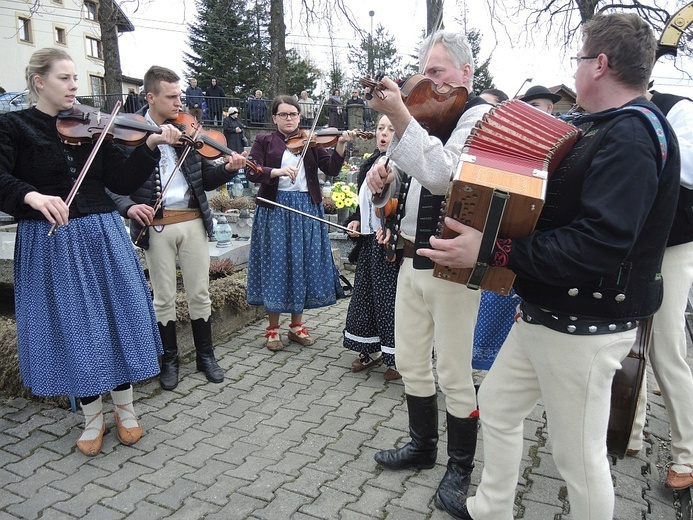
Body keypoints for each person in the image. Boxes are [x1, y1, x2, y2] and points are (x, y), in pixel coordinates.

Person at [417, 13, 680, 519]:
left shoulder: (631, 136)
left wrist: (494, 253)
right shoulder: (596, 126)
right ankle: (490, 507)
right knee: (496, 404)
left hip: (585, 325)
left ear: (600, 64)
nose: (576, 70)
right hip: (547, 310)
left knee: (577, 458)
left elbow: (598, 245)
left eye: (580, 59)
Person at [0, 48, 183, 456]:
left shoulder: (94, 127)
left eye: (75, 79)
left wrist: (149, 147)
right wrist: (30, 195)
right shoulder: (13, 126)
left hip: (101, 233)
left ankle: (126, 409)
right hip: (50, 241)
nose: (74, 87)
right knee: (73, 328)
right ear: (39, 82)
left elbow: (119, 177)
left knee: (117, 317)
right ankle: (91, 417)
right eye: (65, 78)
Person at [364, 30, 491, 512]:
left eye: (436, 73)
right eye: (424, 72)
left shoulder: (477, 114)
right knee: (413, 362)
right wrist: (382, 184)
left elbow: (444, 174)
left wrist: (397, 115)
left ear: (465, 73)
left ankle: (460, 469)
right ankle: (422, 447)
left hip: (452, 269)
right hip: (410, 259)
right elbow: (407, 189)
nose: (427, 83)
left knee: (455, 372)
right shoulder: (428, 114)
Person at [110, 66, 246, 392]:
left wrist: (227, 169)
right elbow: (112, 184)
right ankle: (169, 359)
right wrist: (128, 207)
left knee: (200, 291)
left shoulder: (187, 129)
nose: (178, 102)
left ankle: (206, 355)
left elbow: (205, 179)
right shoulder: (128, 133)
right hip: (156, 225)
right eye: (171, 97)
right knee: (164, 297)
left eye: (180, 95)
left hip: (192, 221)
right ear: (150, 97)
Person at [245, 95, 355, 351]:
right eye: (283, 114)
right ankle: (273, 328)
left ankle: (296, 326)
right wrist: (275, 172)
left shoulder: (311, 141)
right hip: (275, 209)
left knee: (301, 263)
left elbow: (331, 169)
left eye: (293, 114)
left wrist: (340, 146)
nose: (289, 119)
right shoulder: (264, 141)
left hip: (306, 206)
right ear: (274, 118)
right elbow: (251, 171)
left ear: (299, 116)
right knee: (277, 264)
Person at [627, 89, 693, 490]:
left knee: (665, 349)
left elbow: (688, 170)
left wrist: (636, 145)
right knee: (627, 340)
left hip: (673, 241)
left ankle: (687, 452)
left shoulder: (677, 108)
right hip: (631, 240)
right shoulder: (607, 110)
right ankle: (629, 433)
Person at [344, 115, 401, 380]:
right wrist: (355, 220)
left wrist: (391, 229)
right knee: (364, 297)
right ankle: (370, 349)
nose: (384, 133)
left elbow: (403, 207)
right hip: (368, 243)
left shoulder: (403, 166)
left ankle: (396, 358)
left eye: (391, 129)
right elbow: (363, 205)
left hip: (388, 246)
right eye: (380, 128)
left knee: (388, 301)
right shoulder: (369, 163)